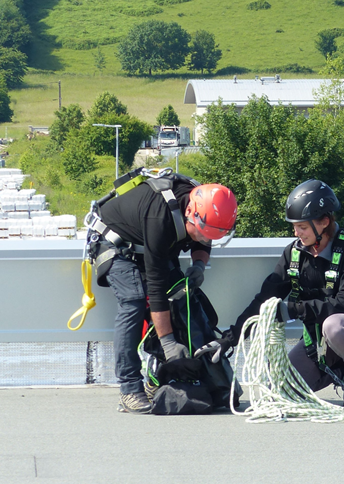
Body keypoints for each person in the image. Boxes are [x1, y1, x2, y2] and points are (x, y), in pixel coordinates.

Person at [195, 180, 344, 411]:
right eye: (294, 227)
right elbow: (264, 301)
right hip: (317, 340)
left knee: (334, 326)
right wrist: (229, 339)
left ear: (324, 222)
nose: (296, 233)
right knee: (282, 389)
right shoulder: (294, 254)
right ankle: (337, 368)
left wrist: (292, 310)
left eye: (302, 227)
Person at [89, 173, 238, 414]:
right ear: (190, 212)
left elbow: (205, 234)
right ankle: (129, 388)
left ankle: (164, 378)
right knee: (134, 302)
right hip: (116, 246)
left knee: (181, 298)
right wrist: (168, 341)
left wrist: (199, 264)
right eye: (200, 232)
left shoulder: (203, 205)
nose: (203, 238)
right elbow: (156, 288)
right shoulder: (160, 215)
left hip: (152, 247)